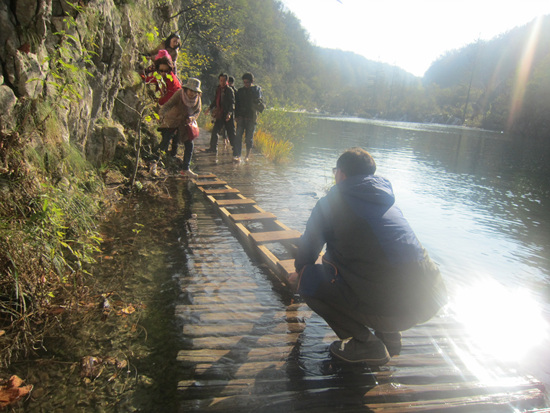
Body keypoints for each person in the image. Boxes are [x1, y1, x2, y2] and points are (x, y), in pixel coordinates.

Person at [288, 148, 447, 366]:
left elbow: (307, 252)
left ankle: (365, 344)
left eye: (335, 171)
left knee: (308, 279)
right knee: (369, 263)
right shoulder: (386, 200)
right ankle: (389, 335)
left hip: (395, 309)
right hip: (430, 299)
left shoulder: (331, 203)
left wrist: (299, 272)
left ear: (341, 174)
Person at [144, 51, 181, 175]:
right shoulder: (160, 77)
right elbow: (148, 80)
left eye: (166, 71)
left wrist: (158, 100)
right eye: (161, 70)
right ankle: (161, 159)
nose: (163, 73)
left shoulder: (173, 81)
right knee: (168, 137)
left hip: (175, 113)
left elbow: (171, 98)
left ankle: (154, 161)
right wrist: (145, 73)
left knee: (167, 138)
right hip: (167, 113)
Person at [158, 78, 202, 178]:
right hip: (173, 120)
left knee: (189, 145)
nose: (192, 93)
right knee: (165, 141)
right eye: (191, 90)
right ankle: (154, 162)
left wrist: (192, 118)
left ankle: (185, 169)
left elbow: (197, 111)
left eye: (195, 91)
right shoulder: (179, 94)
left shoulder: (198, 99)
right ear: (186, 89)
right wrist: (161, 114)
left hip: (185, 124)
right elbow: (168, 104)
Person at [234, 72, 265, 162]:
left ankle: (247, 155)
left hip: (251, 118)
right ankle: (238, 155)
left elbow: (259, 101)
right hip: (241, 117)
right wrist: (236, 116)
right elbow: (237, 104)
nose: (246, 84)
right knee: (238, 136)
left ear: (251, 82)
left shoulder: (256, 90)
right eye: (244, 82)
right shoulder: (240, 91)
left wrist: (254, 91)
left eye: (247, 82)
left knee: (248, 138)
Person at [204, 73, 235, 154]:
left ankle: (236, 150)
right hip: (220, 114)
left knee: (231, 133)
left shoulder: (229, 90)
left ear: (227, 81)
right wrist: (209, 108)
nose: (222, 82)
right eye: (221, 80)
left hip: (227, 114)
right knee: (215, 131)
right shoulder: (218, 89)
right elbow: (215, 100)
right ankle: (213, 148)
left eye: (224, 81)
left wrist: (229, 113)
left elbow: (232, 103)